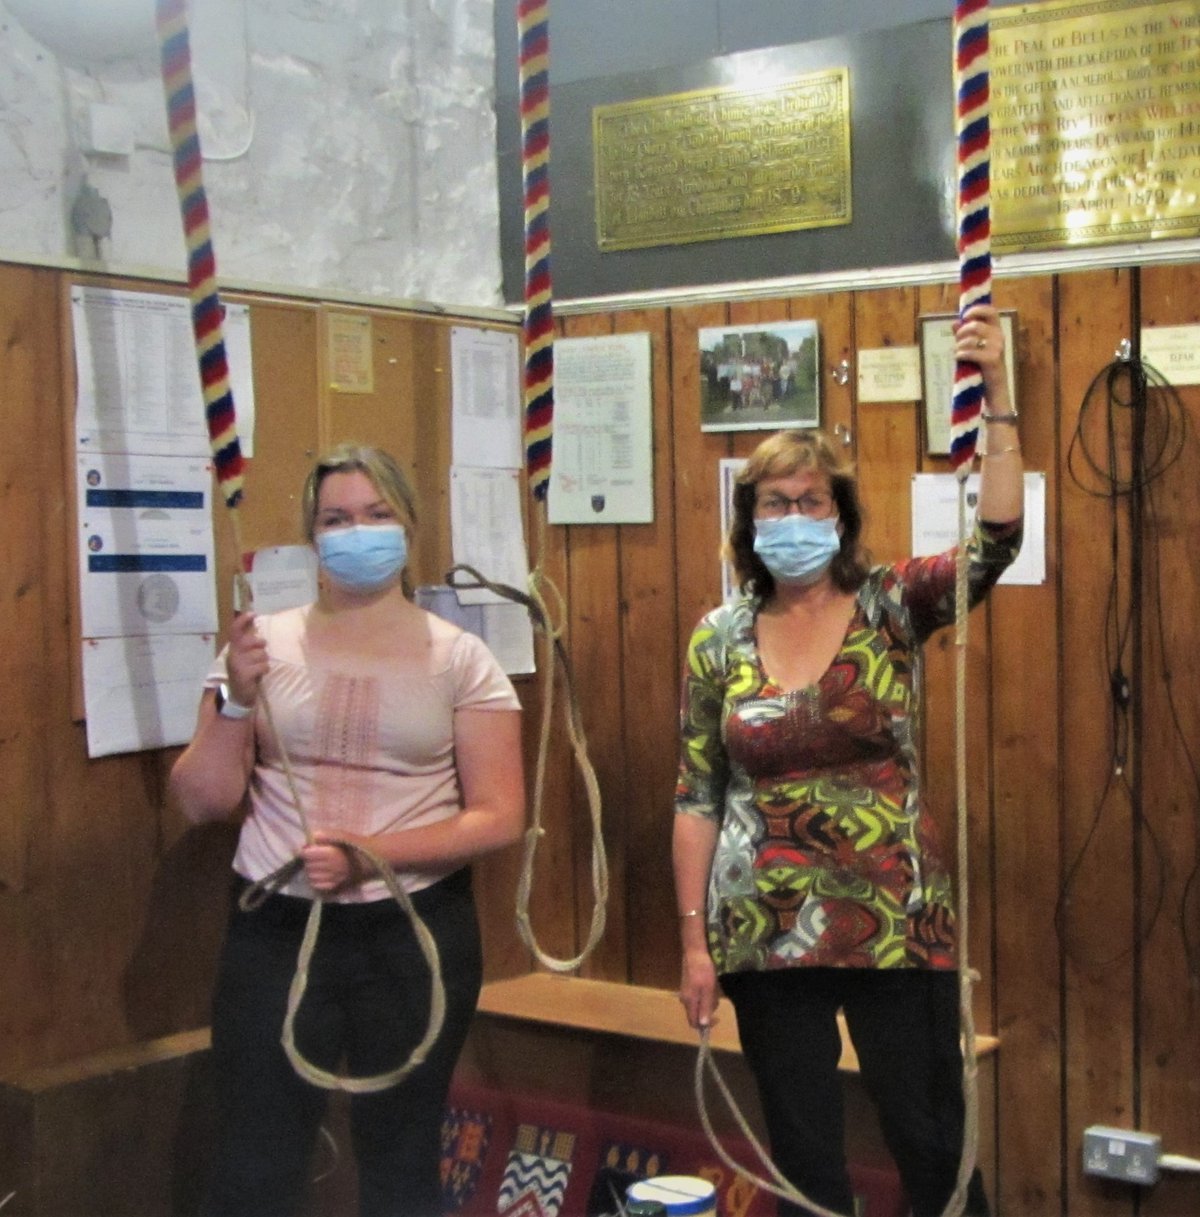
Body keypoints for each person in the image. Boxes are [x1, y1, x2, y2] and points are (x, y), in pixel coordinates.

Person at [673, 305, 1022, 1217]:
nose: (794, 516)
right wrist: (691, 941)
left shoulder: (891, 604)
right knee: (803, 1160)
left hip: (896, 924)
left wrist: (1001, 399)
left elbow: (998, 544)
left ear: (840, 511)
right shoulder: (717, 638)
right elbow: (696, 793)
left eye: (812, 500)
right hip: (762, 930)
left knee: (932, 1140)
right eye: (775, 502)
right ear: (749, 519)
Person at [170, 443, 526, 1217]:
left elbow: (501, 813)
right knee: (256, 1160)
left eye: (375, 514)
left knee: (401, 1160)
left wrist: (374, 857)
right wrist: (235, 696)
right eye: (336, 518)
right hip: (276, 932)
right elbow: (201, 799)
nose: (356, 531)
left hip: (410, 930)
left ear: (407, 526)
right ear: (312, 534)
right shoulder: (260, 646)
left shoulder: (461, 657)